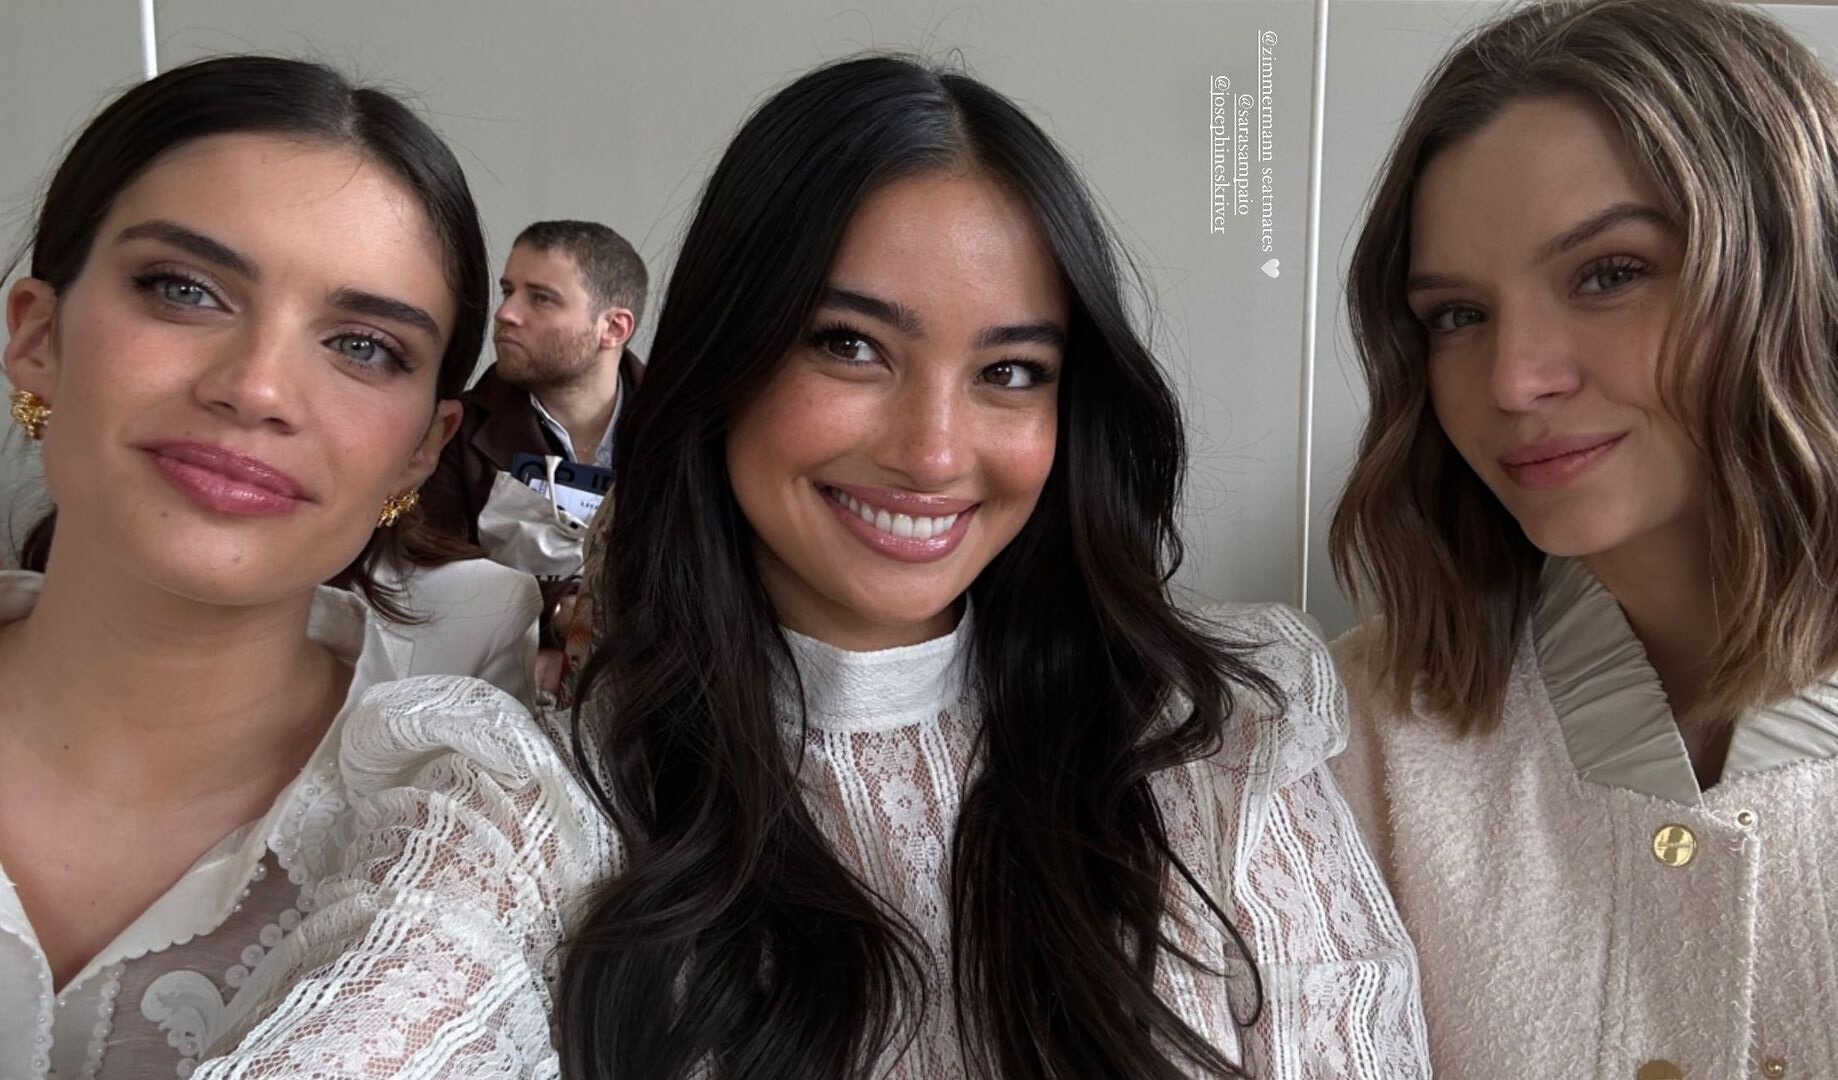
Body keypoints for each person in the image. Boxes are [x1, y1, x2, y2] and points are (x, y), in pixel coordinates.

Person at [556, 55, 1428, 1080]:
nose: (933, 454)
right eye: (850, 344)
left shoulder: (1217, 752)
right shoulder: (552, 806)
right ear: (725, 352)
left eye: (1010, 371)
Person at [1325, 1, 1838, 1075]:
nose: (1514, 381)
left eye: (1609, 274)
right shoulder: (1344, 744)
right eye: (1457, 315)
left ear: (1797, 273)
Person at [0, 55, 608, 1077]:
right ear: (37, 337)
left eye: (364, 347)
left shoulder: (472, 818)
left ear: (423, 448)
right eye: (184, 290)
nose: (258, 389)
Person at [420, 220, 646, 653]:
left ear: (614, 328)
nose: (505, 313)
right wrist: (557, 612)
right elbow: (432, 575)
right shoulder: (455, 432)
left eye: (541, 298)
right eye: (508, 291)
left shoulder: (685, 438)